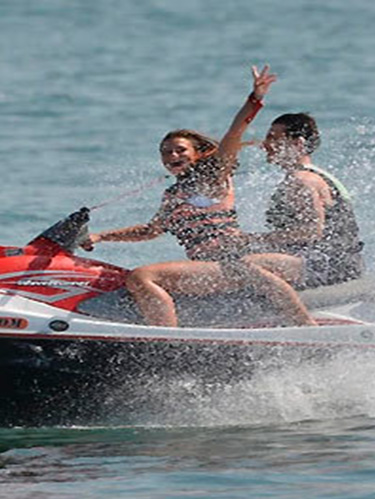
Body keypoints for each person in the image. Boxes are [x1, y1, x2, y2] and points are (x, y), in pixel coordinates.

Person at [83, 66, 316, 327]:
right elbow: (151, 230)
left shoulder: (214, 177)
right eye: (166, 152)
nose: (172, 156)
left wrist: (255, 99)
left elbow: (234, 134)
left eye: (180, 150)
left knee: (142, 277)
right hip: (208, 268)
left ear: (197, 154)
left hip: (230, 263)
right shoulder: (173, 195)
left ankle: (166, 341)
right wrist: (101, 236)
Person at [241, 113, 364, 289]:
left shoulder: (302, 180)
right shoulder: (312, 174)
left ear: (298, 143)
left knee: (244, 262)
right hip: (337, 261)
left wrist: (250, 239)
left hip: (331, 267)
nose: (265, 145)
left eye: (273, 138)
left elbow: (311, 232)